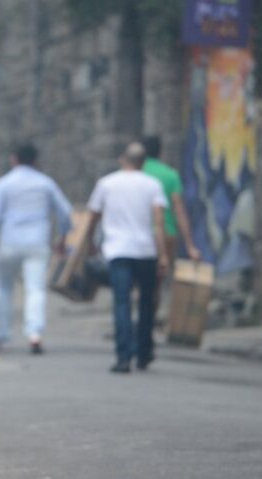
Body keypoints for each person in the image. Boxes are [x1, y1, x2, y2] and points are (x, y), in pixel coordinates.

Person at [0, 143, 72, 354]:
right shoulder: (46, 183)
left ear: (13, 159)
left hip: (9, 242)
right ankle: (34, 333)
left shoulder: (4, 183)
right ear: (36, 161)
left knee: (4, 288)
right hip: (37, 243)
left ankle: (2, 336)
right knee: (35, 288)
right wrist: (63, 239)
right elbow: (66, 214)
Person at [86, 142, 169, 373]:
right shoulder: (153, 184)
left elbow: (92, 217)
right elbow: (159, 223)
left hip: (118, 250)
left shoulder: (107, 183)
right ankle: (144, 352)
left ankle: (123, 356)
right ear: (143, 162)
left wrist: (90, 243)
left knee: (121, 303)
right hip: (145, 251)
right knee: (146, 303)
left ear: (123, 159)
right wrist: (163, 254)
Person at [142, 136, 201, 264]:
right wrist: (190, 245)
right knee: (163, 272)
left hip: (140, 234)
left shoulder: (136, 174)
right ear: (160, 152)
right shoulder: (170, 175)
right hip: (167, 233)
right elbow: (179, 211)